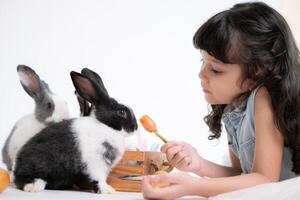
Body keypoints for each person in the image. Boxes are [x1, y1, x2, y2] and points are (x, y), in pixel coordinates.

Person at [142, 2, 300, 199]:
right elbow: (243, 176)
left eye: (215, 69)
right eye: (203, 62)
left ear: (256, 73)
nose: (201, 74)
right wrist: (199, 164)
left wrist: (192, 186)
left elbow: (265, 180)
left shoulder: (263, 97)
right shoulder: (231, 109)